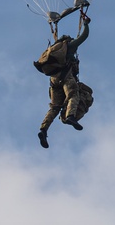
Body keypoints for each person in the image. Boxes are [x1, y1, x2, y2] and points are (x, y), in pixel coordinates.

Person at [38, 12, 90, 149]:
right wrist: (86, 24)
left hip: (54, 81)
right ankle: (70, 116)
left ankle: (43, 130)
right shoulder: (70, 47)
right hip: (66, 78)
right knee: (73, 95)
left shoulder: (54, 49)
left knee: (54, 107)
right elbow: (84, 36)